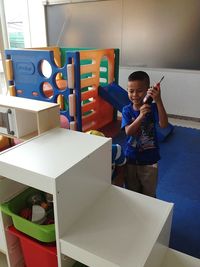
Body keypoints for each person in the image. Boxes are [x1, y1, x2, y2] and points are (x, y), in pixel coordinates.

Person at [121, 71, 168, 197]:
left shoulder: (153, 108)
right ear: (127, 90)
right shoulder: (127, 110)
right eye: (131, 91)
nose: (135, 95)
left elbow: (164, 124)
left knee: (149, 195)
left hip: (149, 161)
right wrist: (141, 116)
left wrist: (158, 100)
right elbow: (128, 131)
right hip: (131, 159)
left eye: (139, 91)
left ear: (148, 90)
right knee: (132, 192)